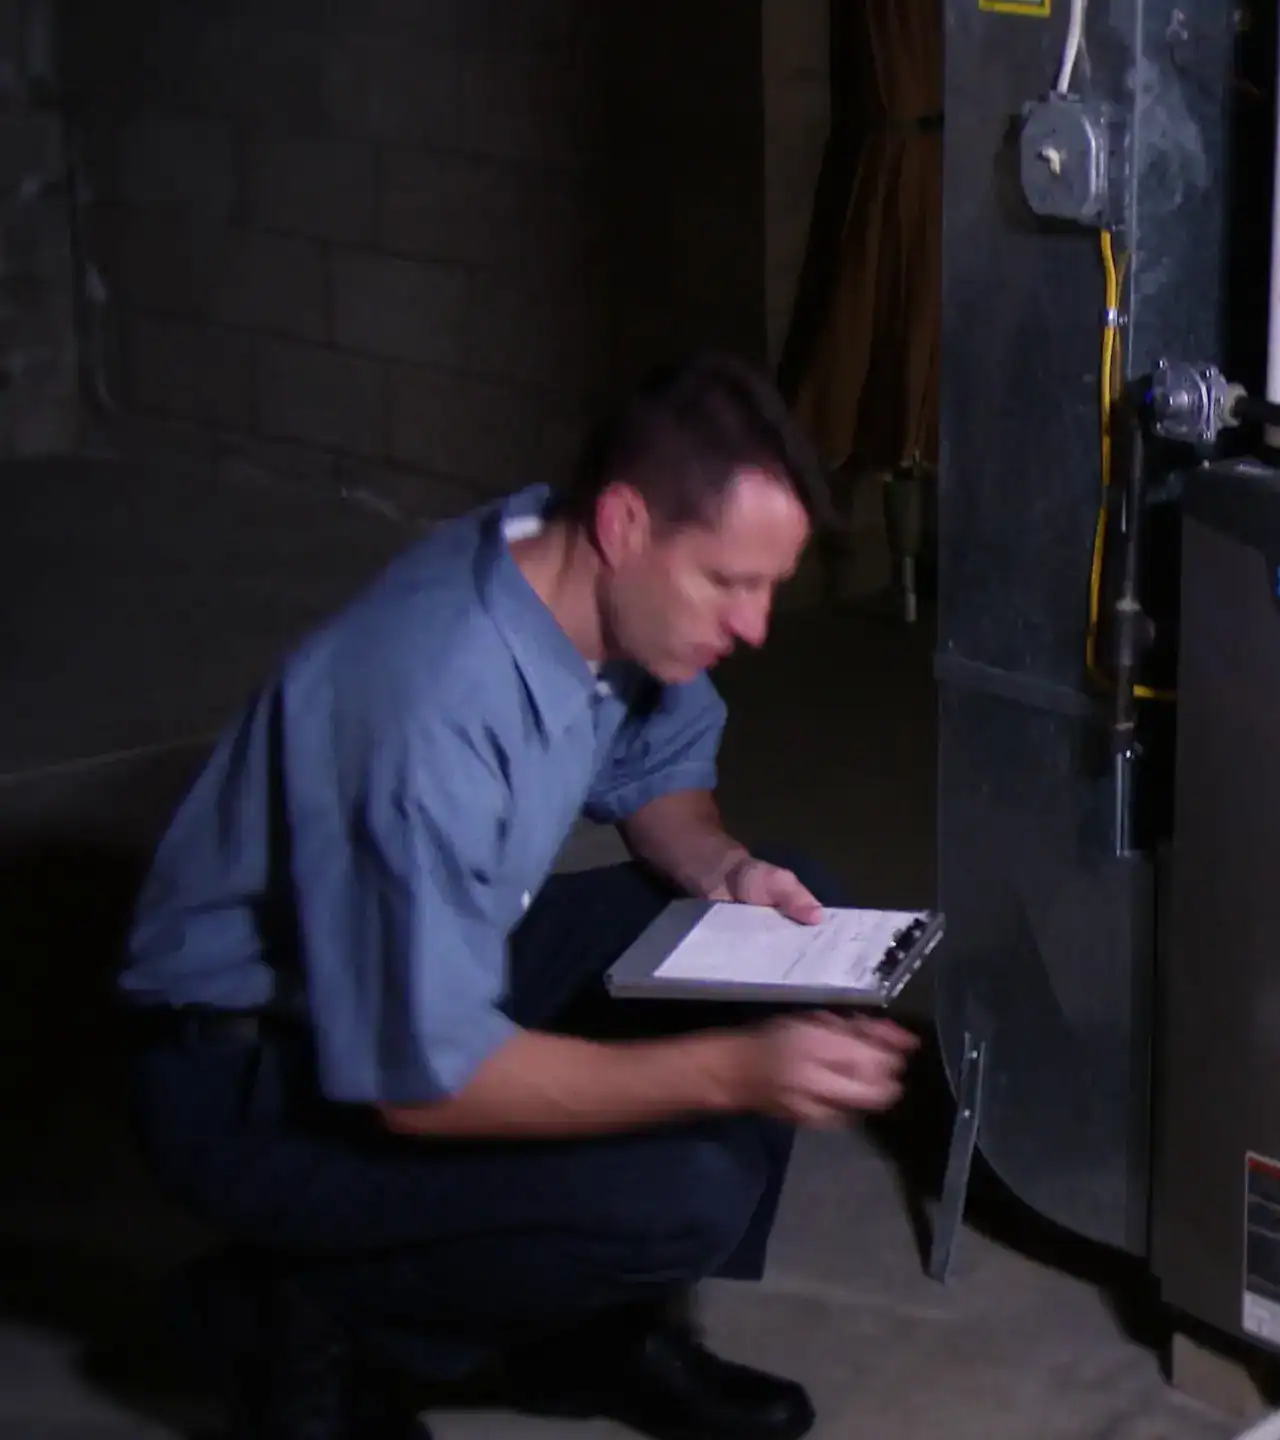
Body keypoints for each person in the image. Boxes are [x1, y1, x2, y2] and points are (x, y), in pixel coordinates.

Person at [116, 354, 920, 1440]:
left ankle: (593, 1341)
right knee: (686, 1180)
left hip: (439, 968)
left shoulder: (566, 559)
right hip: (257, 1075)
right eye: (730, 582)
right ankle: (298, 1317)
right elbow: (420, 1086)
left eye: (771, 586)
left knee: (783, 913)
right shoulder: (427, 712)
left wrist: (721, 869)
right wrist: (734, 1072)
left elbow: (658, 772)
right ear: (627, 523)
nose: (757, 625)